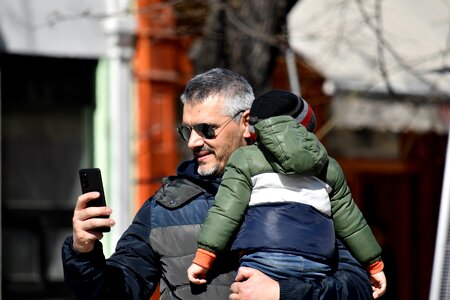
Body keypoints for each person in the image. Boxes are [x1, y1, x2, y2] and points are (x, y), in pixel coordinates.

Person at [61, 68, 373, 299]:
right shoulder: (164, 207)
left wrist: (283, 292)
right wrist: (83, 251)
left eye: (207, 129)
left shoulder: (309, 190)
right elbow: (116, 293)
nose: (194, 142)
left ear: (246, 122)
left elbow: (359, 288)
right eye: (187, 131)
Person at [187, 90, 386, 297]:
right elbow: (353, 223)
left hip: (265, 260)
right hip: (317, 264)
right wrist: (374, 265)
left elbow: (225, 212)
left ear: (255, 128)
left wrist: (203, 258)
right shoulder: (329, 167)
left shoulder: (245, 158)